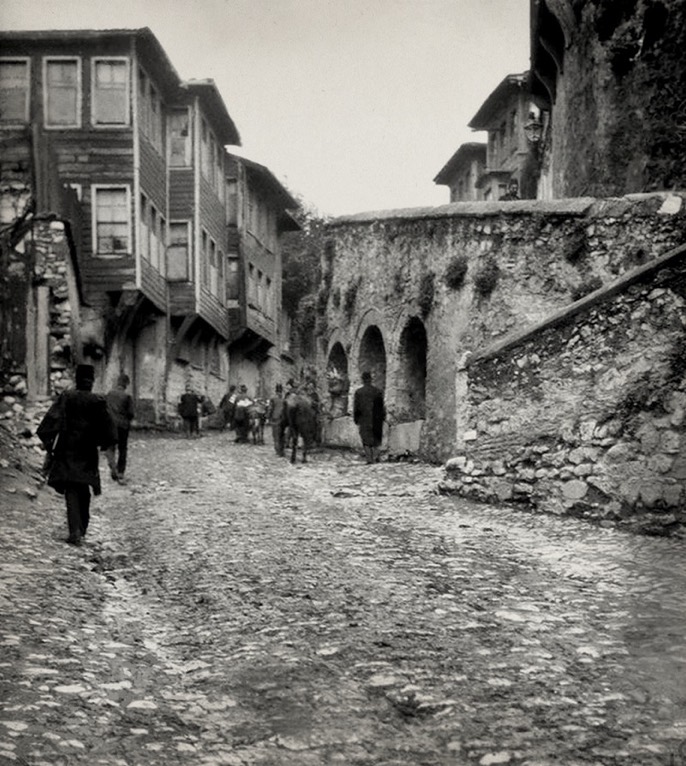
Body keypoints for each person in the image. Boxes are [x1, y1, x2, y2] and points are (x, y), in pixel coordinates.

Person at [37, 364, 117, 546]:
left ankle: (75, 530)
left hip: (67, 448)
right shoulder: (97, 401)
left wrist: (49, 443)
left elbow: (51, 419)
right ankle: (81, 527)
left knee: (71, 490)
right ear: (92, 381)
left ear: (77, 379)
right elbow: (109, 430)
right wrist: (104, 444)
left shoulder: (67, 397)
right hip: (87, 451)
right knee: (83, 488)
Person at [105, 373, 134, 484]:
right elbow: (131, 413)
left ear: (117, 382)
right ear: (126, 384)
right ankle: (120, 471)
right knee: (123, 448)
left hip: (110, 424)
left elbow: (105, 408)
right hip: (123, 426)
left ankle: (113, 467)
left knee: (110, 447)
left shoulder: (109, 394)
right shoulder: (127, 397)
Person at [353, 370, 386, 464]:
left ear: (362, 380)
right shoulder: (378, 391)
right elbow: (382, 406)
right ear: (371, 380)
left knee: (366, 439)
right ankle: (376, 457)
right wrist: (383, 417)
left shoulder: (359, 392)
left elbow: (357, 407)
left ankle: (369, 459)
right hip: (377, 418)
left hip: (364, 418)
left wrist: (356, 419)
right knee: (376, 438)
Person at [267, 383, 286, 456]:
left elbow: (270, 409)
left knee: (276, 435)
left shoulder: (273, 399)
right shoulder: (284, 399)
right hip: (283, 418)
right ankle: (282, 449)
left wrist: (268, 417)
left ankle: (278, 450)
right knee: (282, 434)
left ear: (275, 390)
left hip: (276, 418)